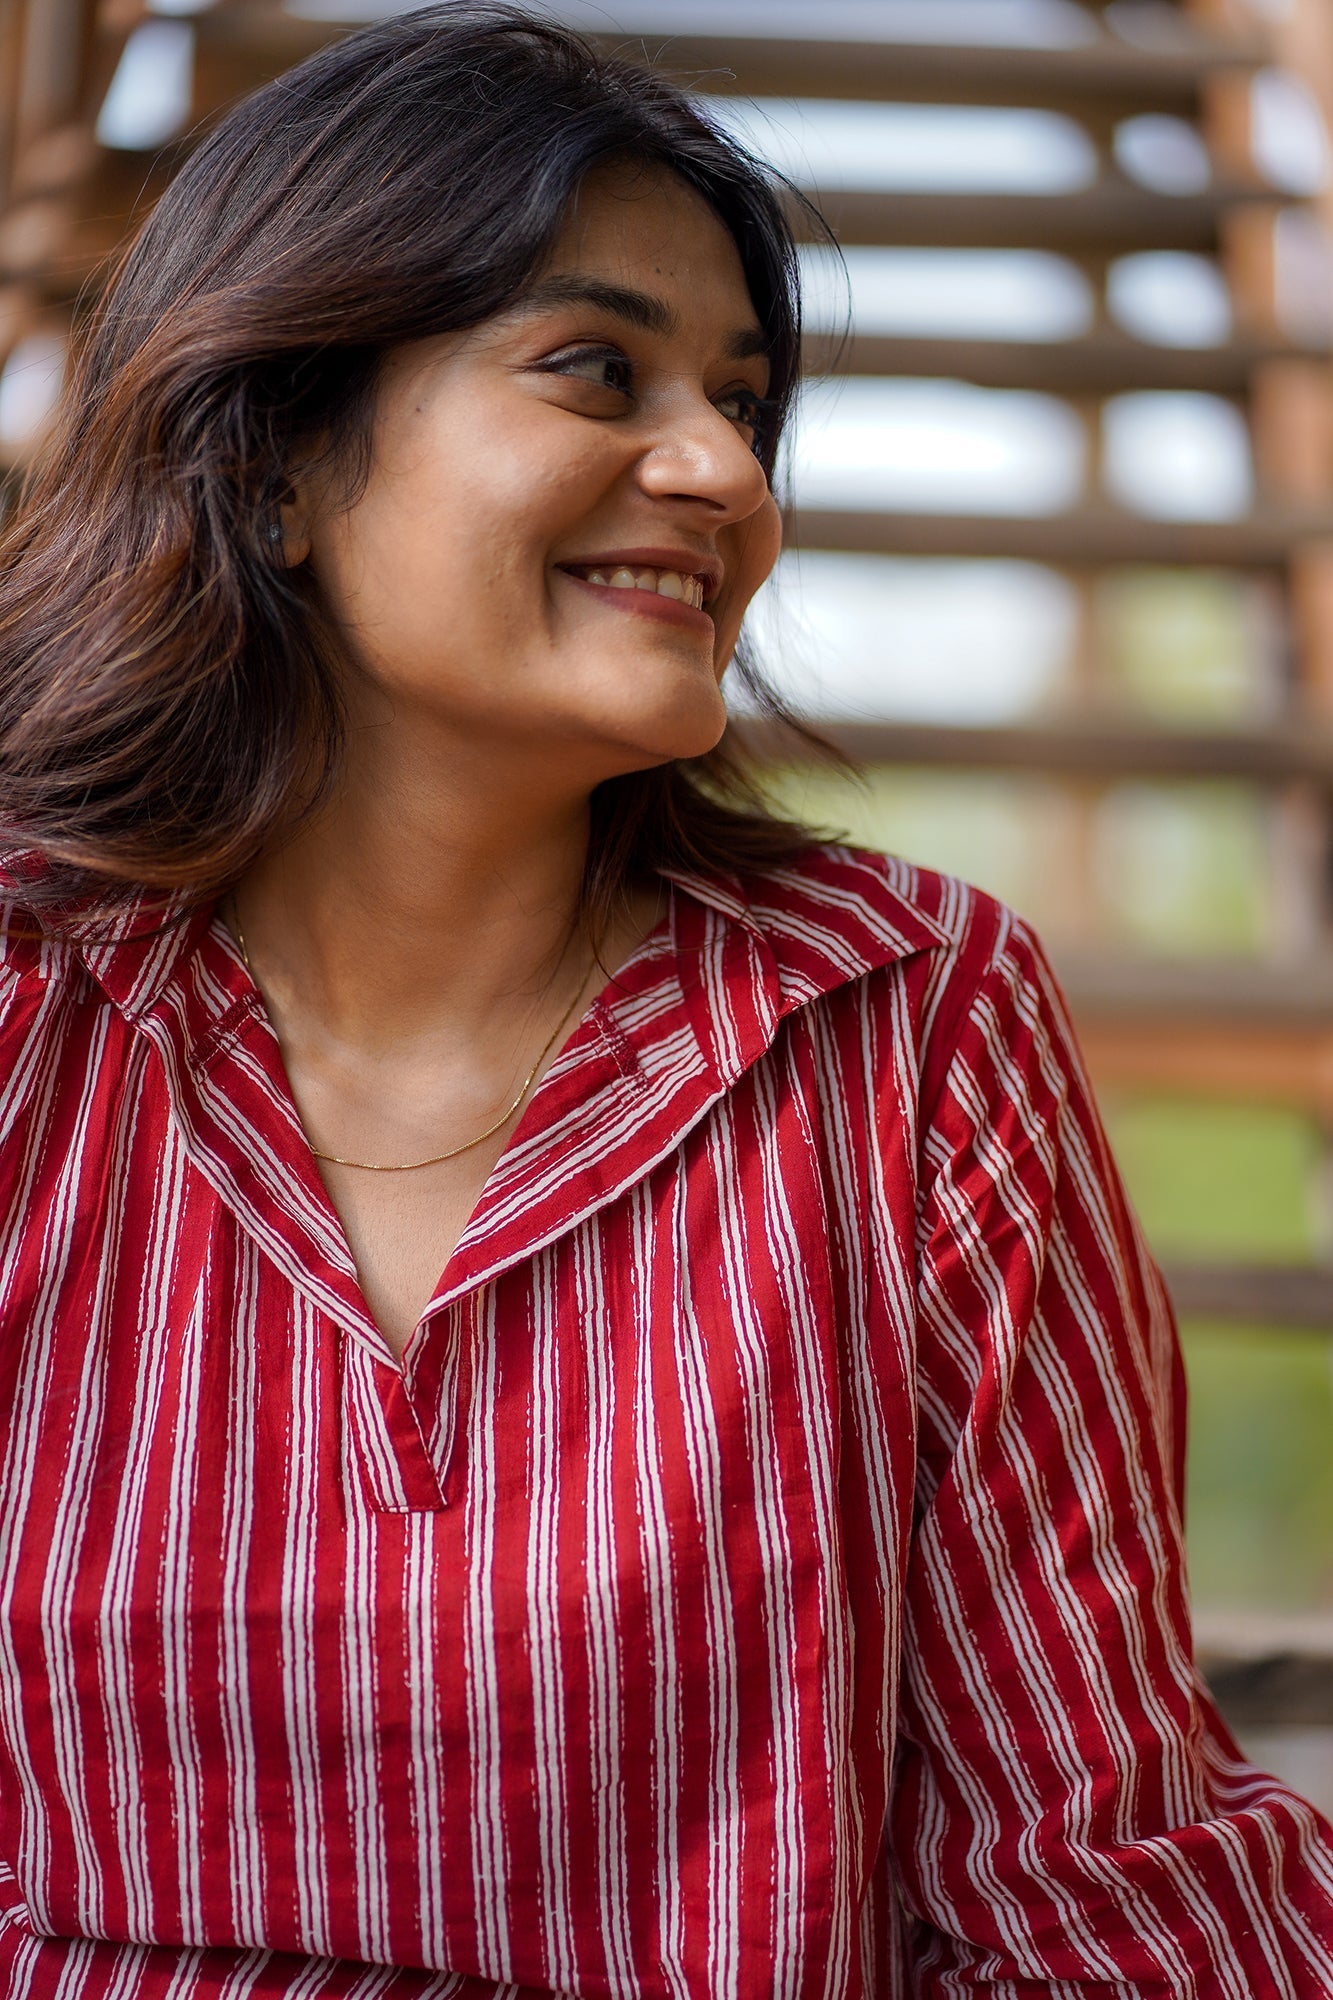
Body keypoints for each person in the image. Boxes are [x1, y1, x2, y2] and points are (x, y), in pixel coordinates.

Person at [0, 5, 1328, 1994]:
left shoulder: (904, 1027)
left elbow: (1091, 1866)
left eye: (745, 398)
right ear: (276, 458)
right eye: (595, 369)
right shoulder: (31, 1014)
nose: (721, 471)